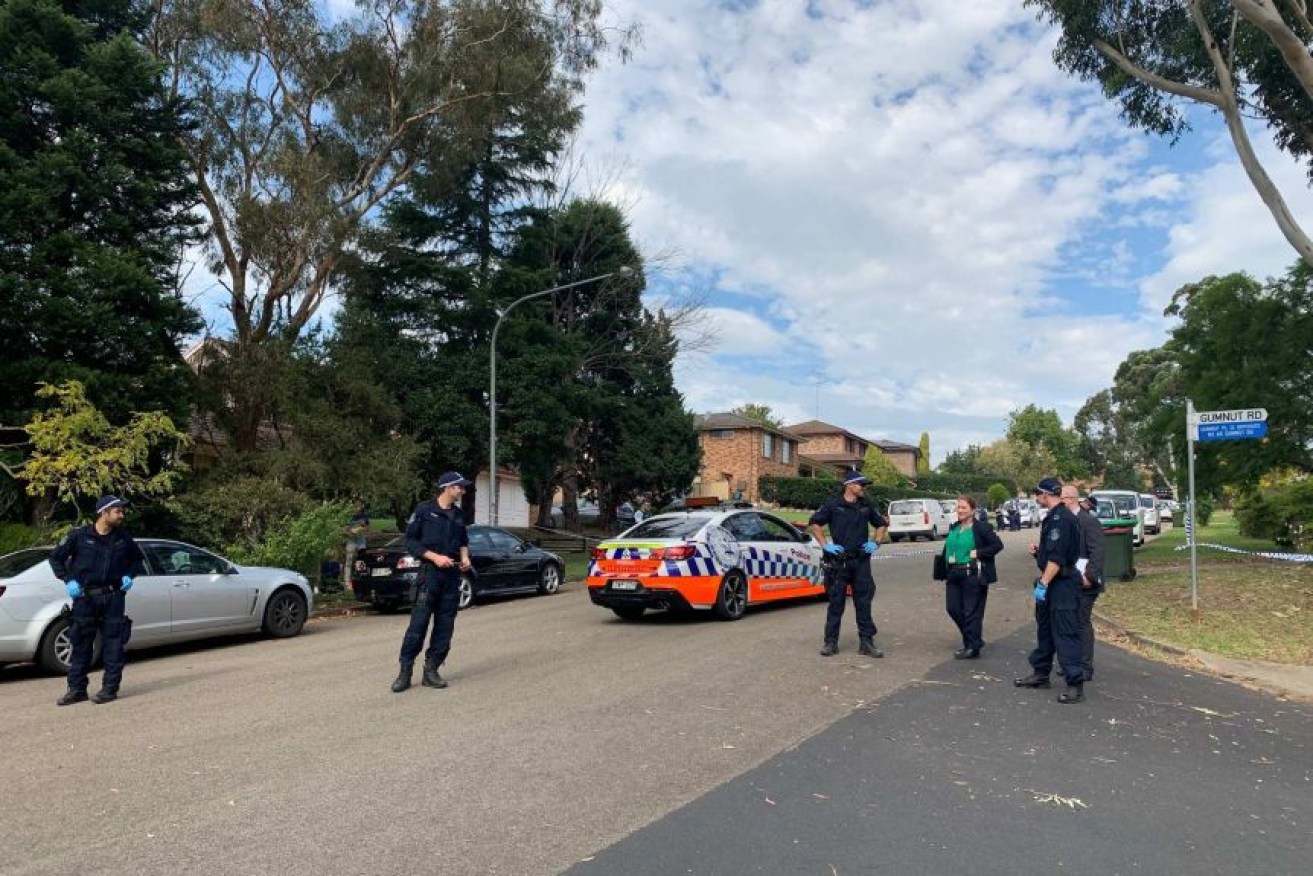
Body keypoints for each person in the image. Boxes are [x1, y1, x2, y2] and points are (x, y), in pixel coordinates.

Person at [47, 495, 146, 705]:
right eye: (117, 511)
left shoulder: (123, 538)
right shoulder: (79, 536)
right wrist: (68, 580)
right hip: (85, 597)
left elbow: (138, 561)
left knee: (113, 644)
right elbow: (55, 558)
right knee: (81, 643)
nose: (122, 514)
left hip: (113, 597)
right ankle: (76, 690)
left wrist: (130, 575)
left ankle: (109, 689)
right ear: (103, 512)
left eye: (121, 510)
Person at [391, 472, 473, 693]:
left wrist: (465, 558)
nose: (463, 491)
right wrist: (435, 557)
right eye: (460, 487)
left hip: (452, 578)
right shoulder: (424, 511)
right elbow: (410, 541)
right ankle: (404, 672)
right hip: (429, 575)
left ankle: (432, 670)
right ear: (448, 488)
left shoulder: (458, 514)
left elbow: (463, 541)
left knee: (445, 627)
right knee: (417, 627)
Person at [1014, 478, 1087, 704]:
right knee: (1045, 629)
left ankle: (1075, 684)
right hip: (1052, 580)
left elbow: (1057, 559)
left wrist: (1043, 583)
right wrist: (1039, 554)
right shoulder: (1053, 518)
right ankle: (1041, 673)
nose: (1037, 498)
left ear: (1046, 494)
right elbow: (1052, 554)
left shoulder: (1061, 520)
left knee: (1065, 632)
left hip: (1061, 583)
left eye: (1038, 494)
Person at [808, 470, 888, 658]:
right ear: (849, 485)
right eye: (861, 484)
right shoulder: (833, 504)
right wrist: (825, 545)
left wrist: (875, 542)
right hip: (839, 562)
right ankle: (830, 643)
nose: (863, 488)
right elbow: (815, 524)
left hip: (860, 561)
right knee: (836, 604)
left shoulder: (866, 504)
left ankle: (866, 643)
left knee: (863, 602)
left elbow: (881, 524)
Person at [938, 495, 1004, 659]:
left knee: (971, 612)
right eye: (958, 507)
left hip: (972, 574)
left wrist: (980, 553)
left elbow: (997, 545)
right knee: (952, 608)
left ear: (972, 510)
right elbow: (948, 549)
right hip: (953, 573)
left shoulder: (981, 527)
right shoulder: (954, 527)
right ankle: (973, 639)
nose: (959, 510)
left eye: (963, 508)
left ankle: (972, 646)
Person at [1067, 489, 1106, 682]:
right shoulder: (1066, 521)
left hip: (1086, 582)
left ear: (1071, 499)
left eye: (1062, 498)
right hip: (1069, 581)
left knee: (1082, 622)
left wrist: (1089, 577)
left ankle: (1085, 666)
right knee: (1070, 623)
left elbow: (1097, 551)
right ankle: (1072, 663)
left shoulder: (1089, 521)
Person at [342, 499, 369, 594]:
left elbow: (367, 528)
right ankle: (347, 582)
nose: (358, 507)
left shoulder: (364, 516)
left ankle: (362, 580)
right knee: (349, 561)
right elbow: (344, 530)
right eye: (356, 506)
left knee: (361, 561)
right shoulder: (348, 517)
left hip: (361, 542)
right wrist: (350, 532)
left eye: (359, 506)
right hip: (351, 541)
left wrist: (362, 528)